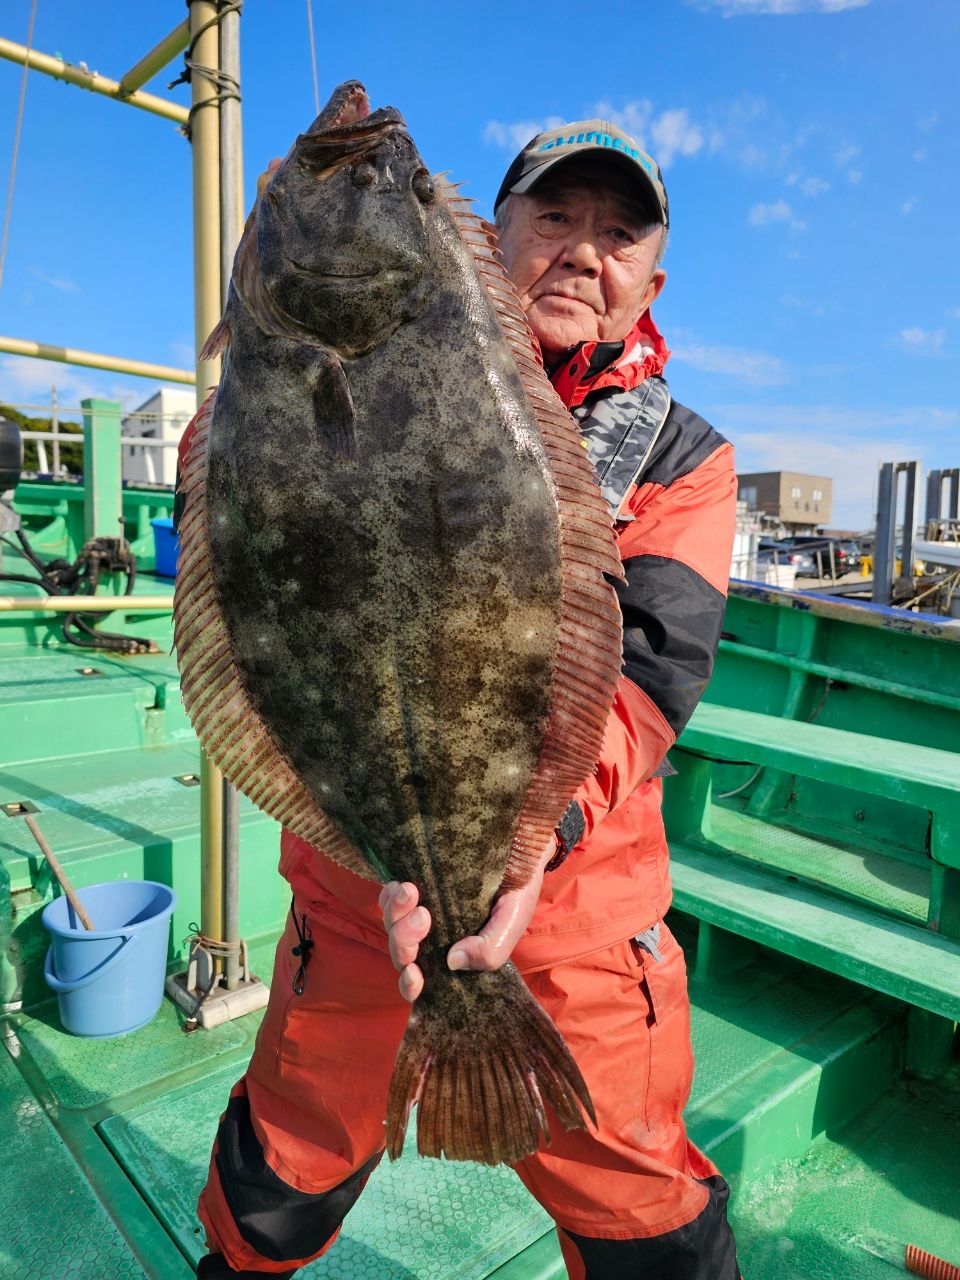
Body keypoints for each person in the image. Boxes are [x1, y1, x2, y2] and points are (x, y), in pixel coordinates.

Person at [195, 119, 740, 1280]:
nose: (587, 252)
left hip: (583, 920)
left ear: (653, 277)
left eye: (619, 233)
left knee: (651, 1223)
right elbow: (239, 514)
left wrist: (535, 834)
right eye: (556, 218)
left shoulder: (684, 455)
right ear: (487, 238)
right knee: (275, 1175)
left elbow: (648, 674)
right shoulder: (310, 347)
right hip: (353, 908)